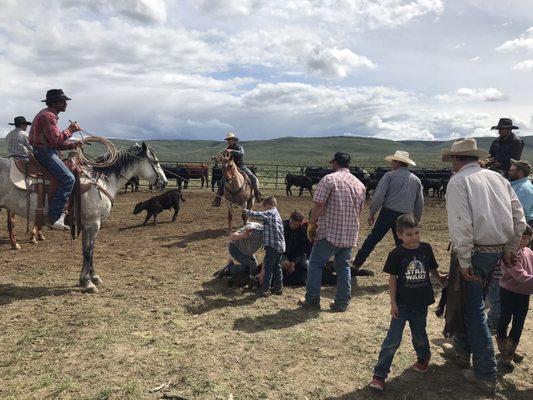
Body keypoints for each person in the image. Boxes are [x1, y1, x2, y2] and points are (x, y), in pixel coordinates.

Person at [441, 138, 526, 394]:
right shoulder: (498, 179)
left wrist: (464, 259)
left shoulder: (458, 182)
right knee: (471, 305)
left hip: (475, 253)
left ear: (457, 159)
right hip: (496, 251)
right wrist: (510, 247)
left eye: (453, 160)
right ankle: (462, 351)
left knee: (473, 309)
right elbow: (518, 217)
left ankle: (485, 371)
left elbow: (461, 223)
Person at [370, 214, 447, 392]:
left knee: (419, 335)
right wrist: (393, 303)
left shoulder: (426, 249)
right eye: (409, 234)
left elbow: (432, 267)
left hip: (421, 304)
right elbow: (393, 279)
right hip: (402, 305)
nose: (414, 238)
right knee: (392, 340)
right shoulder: (396, 254)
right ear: (399, 235)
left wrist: (440, 277)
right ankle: (379, 375)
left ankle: (423, 359)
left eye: (416, 233)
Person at [298, 152, 366, 312]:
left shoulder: (329, 179)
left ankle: (312, 299)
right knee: (343, 267)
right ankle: (342, 303)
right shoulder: (360, 185)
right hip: (350, 233)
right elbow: (359, 210)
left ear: (335, 163)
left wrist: (311, 224)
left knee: (315, 264)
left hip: (330, 232)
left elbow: (319, 206)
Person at [353, 150, 423, 271]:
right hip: (405, 217)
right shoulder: (416, 180)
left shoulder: (389, 176)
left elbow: (379, 196)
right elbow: (419, 203)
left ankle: (356, 264)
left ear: (397, 162)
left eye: (393, 161)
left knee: (373, 239)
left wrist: (372, 212)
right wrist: (415, 220)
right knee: (404, 244)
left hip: (387, 213)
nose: (391, 164)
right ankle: (407, 270)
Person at [488, 158, 533, 331]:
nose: (509, 171)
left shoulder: (524, 189)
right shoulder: (518, 186)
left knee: (501, 279)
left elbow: (513, 215)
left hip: (512, 238)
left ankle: (495, 324)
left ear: (520, 172)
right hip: (512, 238)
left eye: (513, 169)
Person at [29, 89, 82, 229]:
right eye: (63, 101)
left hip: (45, 150)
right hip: (44, 152)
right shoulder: (48, 116)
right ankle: (54, 216)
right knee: (69, 178)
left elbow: (56, 143)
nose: (66, 104)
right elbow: (55, 141)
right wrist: (70, 130)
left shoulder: (48, 115)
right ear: (55, 103)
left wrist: (73, 144)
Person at [496, 226, 533, 369]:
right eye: (522, 237)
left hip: (524, 294)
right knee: (504, 318)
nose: (524, 241)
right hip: (508, 291)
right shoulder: (509, 255)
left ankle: (510, 351)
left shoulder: (529, 252)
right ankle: (503, 349)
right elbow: (520, 276)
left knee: (519, 322)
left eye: (527, 238)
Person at [244, 196, 285, 297]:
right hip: (280, 246)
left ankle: (265, 290)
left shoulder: (271, 212)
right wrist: (254, 229)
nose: (264, 210)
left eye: (264, 207)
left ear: (268, 206)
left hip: (272, 246)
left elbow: (259, 215)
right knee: (277, 267)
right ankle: (278, 288)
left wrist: (247, 212)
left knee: (267, 267)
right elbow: (265, 228)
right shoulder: (276, 215)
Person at [213, 132, 262, 206]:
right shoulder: (226, 149)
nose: (229, 141)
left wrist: (232, 151)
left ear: (234, 140)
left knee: (253, 178)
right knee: (222, 181)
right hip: (230, 168)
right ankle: (217, 200)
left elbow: (241, 153)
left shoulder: (239, 147)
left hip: (240, 166)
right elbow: (222, 158)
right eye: (228, 140)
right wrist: (215, 159)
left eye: (230, 140)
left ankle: (257, 194)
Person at [282, 211, 310, 286]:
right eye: (291, 223)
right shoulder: (282, 226)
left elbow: (301, 248)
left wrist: (293, 262)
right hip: (283, 253)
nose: (293, 226)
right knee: (285, 264)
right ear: (289, 219)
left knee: (307, 265)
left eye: (296, 225)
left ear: (300, 223)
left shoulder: (303, 230)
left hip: (298, 255)